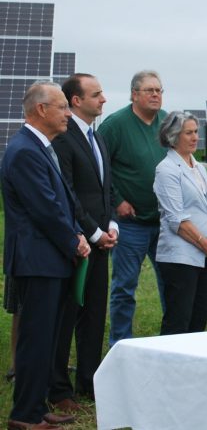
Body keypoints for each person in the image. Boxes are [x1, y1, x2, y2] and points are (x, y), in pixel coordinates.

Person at [1, 81, 91, 429]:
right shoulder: (24, 150)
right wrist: (73, 241)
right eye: (63, 107)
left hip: (49, 258)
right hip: (38, 260)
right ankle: (24, 415)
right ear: (41, 110)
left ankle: (37, 408)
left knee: (46, 337)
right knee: (36, 338)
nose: (69, 114)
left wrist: (77, 233)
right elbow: (45, 209)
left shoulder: (40, 147)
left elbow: (61, 200)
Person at [48, 74, 118, 411]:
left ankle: (89, 383)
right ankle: (59, 388)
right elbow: (68, 192)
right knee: (67, 315)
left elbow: (107, 187)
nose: (103, 99)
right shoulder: (64, 137)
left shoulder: (97, 137)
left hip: (102, 241)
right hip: (77, 243)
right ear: (76, 100)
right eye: (96, 94)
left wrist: (112, 225)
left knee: (94, 314)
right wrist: (92, 232)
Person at [98, 70, 167, 345]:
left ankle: (170, 340)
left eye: (159, 90)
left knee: (170, 283)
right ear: (134, 94)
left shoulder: (166, 122)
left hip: (165, 222)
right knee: (125, 287)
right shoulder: (115, 125)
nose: (155, 95)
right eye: (149, 90)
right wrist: (117, 201)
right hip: (130, 222)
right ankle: (120, 343)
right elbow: (99, 167)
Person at [153, 111, 207, 335]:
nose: (195, 137)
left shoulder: (199, 168)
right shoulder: (166, 169)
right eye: (189, 133)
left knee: (199, 318)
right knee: (179, 320)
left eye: (196, 132)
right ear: (173, 136)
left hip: (206, 256)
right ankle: (168, 368)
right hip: (181, 257)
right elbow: (177, 219)